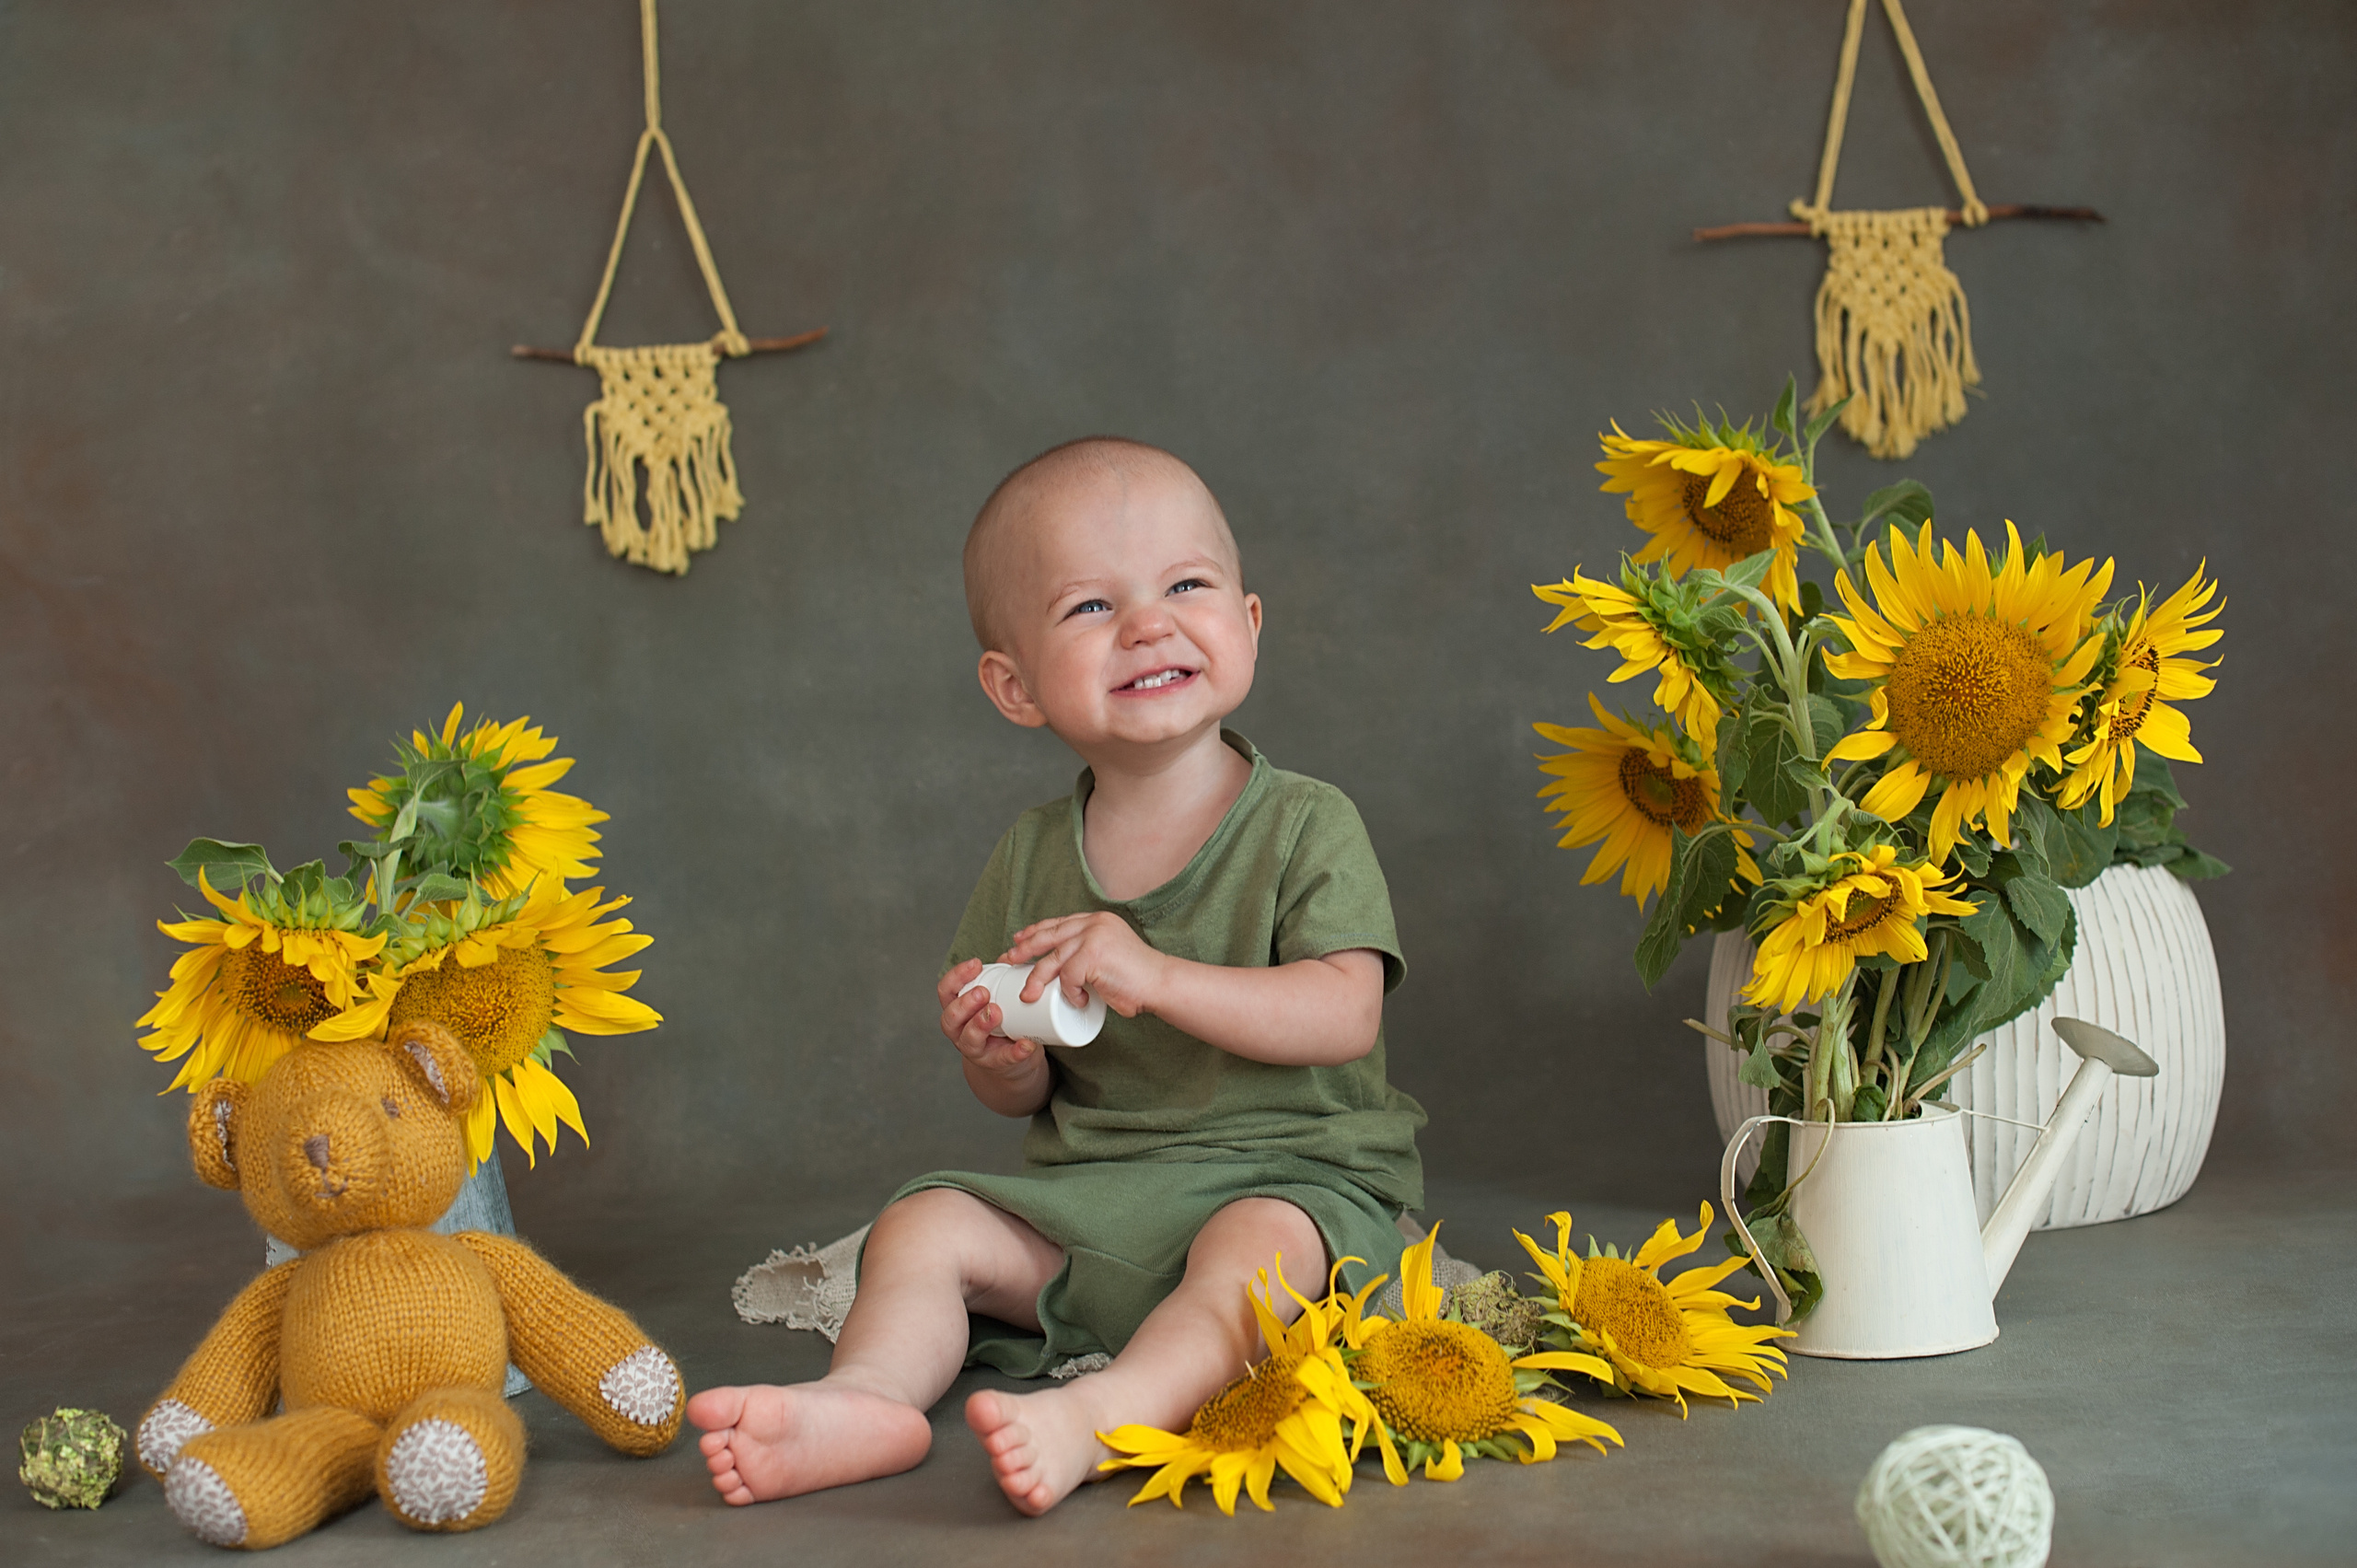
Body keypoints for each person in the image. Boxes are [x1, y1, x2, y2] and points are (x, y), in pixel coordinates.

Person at [688, 437, 1425, 1516]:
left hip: (1294, 1177)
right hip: (1100, 1204)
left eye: (1186, 585)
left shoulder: (1305, 822)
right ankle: (868, 1396)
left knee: (1254, 1251)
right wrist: (999, 1056)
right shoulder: (1032, 854)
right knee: (924, 1219)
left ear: (1248, 626)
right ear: (1014, 685)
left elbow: (1344, 1012)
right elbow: (1027, 1093)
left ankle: (1105, 1410)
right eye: (1089, 607)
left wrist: (1158, 973)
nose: (1147, 624)